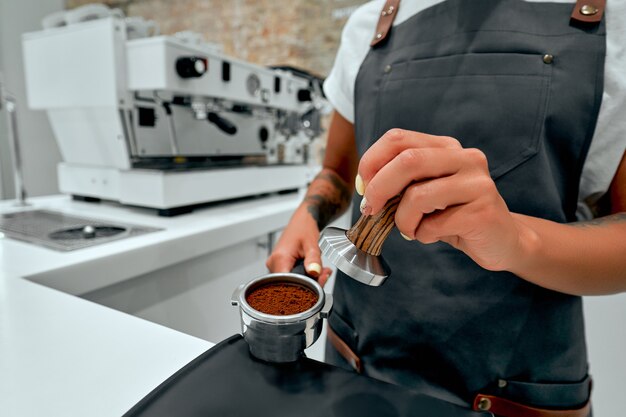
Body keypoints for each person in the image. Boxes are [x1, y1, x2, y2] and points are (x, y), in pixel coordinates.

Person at [267, 0, 626, 415]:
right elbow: (337, 171)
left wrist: (517, 240)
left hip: (518, 387)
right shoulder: (369, 25)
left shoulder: (611, 22)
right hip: (356, 363)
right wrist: (308, 214)